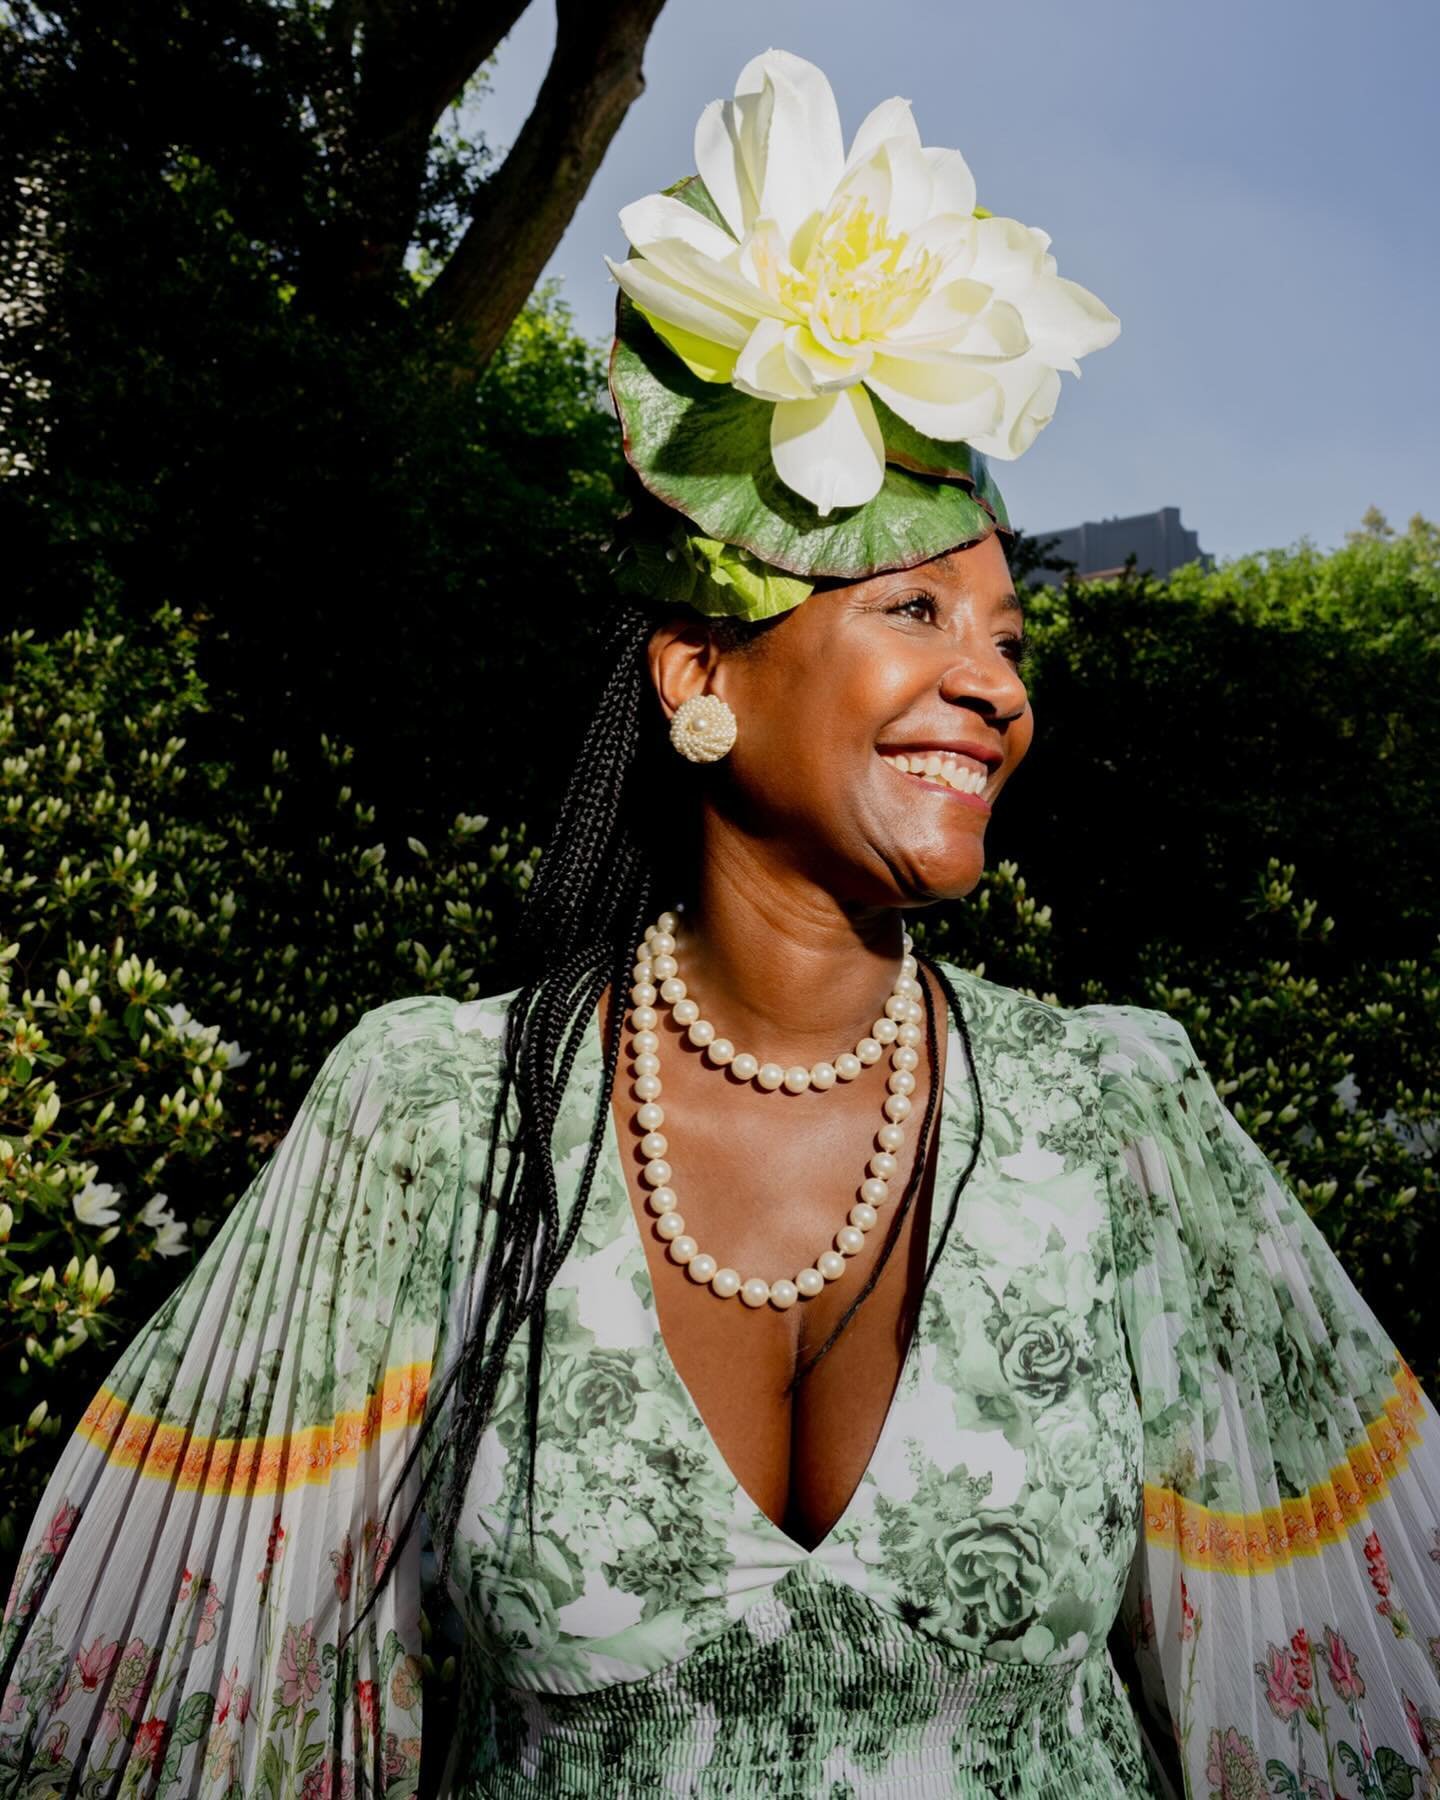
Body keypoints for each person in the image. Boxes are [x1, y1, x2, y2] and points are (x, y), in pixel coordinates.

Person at [2, 45, 1437, 1800]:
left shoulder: (1120, 1122)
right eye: (917, 608)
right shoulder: (437, 1124)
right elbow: (199, 1706)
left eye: (1010, 637)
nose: (994, 689)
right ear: (698, 679)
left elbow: (1342, 1703)